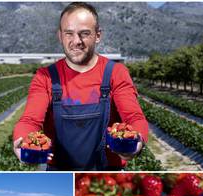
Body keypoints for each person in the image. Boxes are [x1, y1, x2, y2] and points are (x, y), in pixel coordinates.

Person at [13, 2, 148, 171]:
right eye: (69, 33)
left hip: (106, 174)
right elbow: (30, 121)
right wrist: (22, 141)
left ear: (97, 35)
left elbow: (134, 117)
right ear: (60, 36)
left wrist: (137, 141)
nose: (76, 41)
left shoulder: (116, 73)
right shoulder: (45, 77)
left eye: (84, 33)